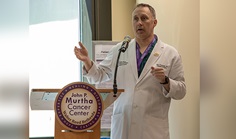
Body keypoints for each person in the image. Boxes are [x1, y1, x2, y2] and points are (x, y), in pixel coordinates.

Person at [74, 3, 186, 139]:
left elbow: (181, 91)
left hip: (153, 128)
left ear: (154, 22)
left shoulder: (170, 53)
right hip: (123, 126)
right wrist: (86, 60)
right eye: (135, 19)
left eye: (144, 18)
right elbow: (98, 76)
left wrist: (165, 81)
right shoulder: (120, 50)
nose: (139, 23)